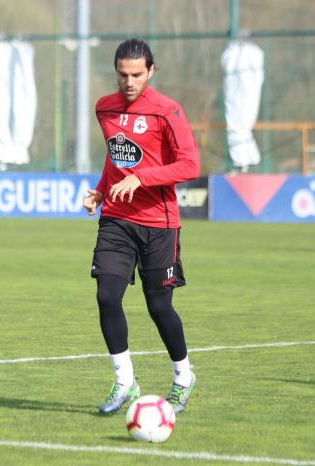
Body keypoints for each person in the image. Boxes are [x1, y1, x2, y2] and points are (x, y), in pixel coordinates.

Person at [83, 38, 200, 415]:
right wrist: (101, 192)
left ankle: (183, 377)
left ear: (151, 71)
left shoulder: (168, 112)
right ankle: (124, 381)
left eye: (136, 74)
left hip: (159, 223)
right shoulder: (104, 108)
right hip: (117, 219)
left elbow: (190, 165)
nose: (129, 81)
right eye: (122, 74)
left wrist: (143, 178)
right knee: (106, 296)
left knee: (159, 307)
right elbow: (116, 157)